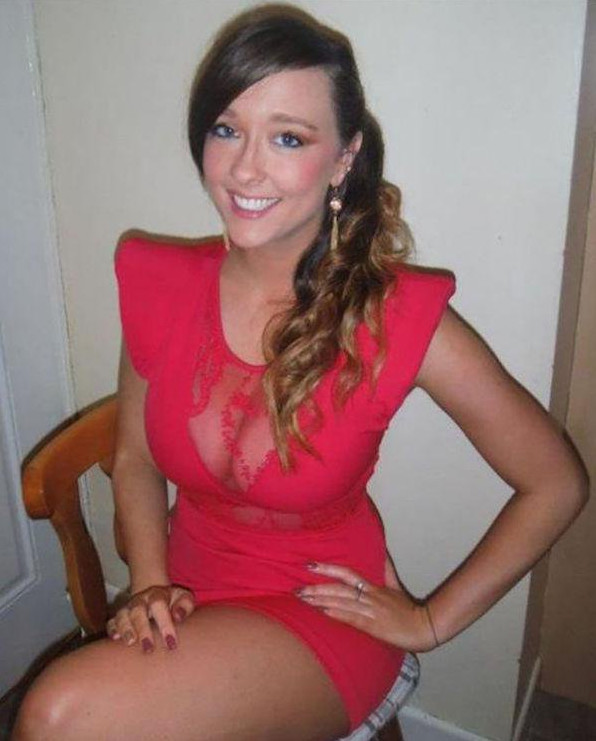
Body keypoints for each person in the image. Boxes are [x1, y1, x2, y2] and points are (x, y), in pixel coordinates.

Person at [14, 4, 589, 740]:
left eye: (288, 137)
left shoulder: (395, 317)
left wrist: (431, 620)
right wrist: (151, 582)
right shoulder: (157, 277)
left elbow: (556, 483)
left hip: (320, 612)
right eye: (227, 129)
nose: (245, 167)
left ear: (344, 158)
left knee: (59, 714)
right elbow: (134, 458)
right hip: (187, 586)